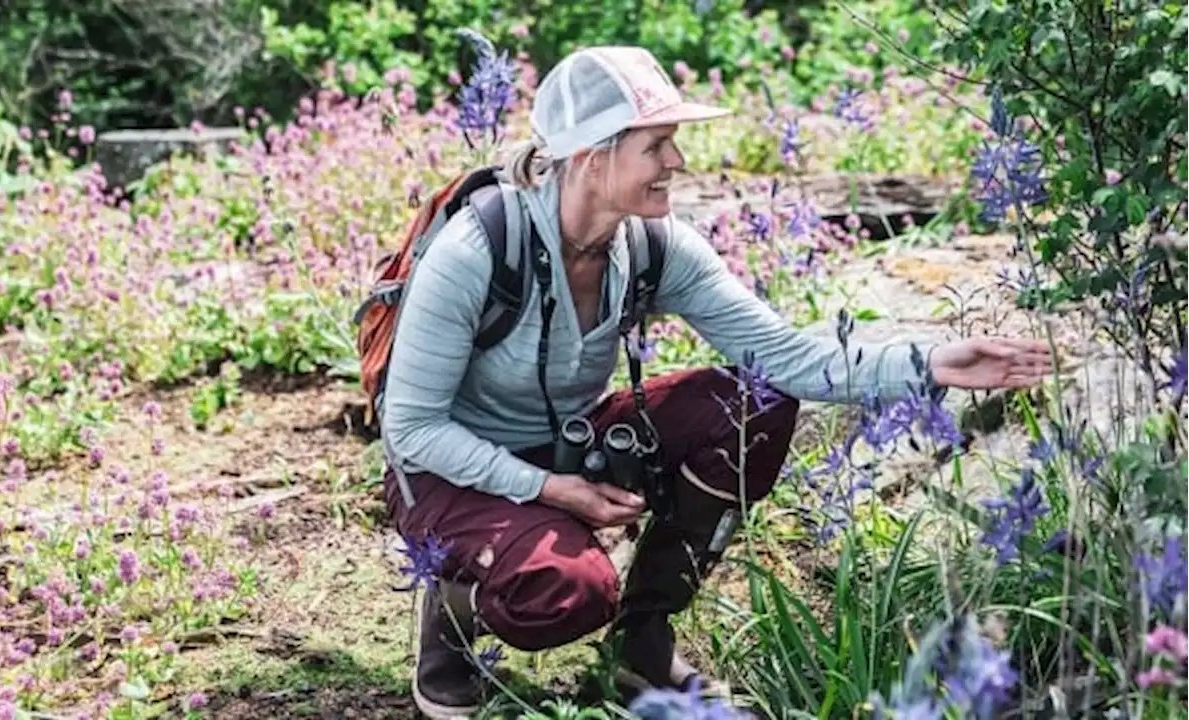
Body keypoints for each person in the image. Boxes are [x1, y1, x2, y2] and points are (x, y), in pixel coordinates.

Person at [377, 45, 1053, 719]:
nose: (678, 161)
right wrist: (551, 491)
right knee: (572, 591)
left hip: (566, 446)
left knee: (750, 406)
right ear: (591, 157)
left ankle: (640, 645)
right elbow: (412, 428)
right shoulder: (477, 250)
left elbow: (783, 359)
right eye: (658, 145)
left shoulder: (653, 243)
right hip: (449, 470)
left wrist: (930, 363)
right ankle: (457, 609)